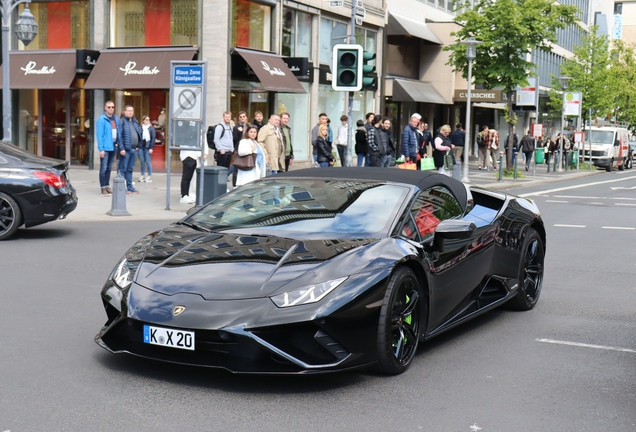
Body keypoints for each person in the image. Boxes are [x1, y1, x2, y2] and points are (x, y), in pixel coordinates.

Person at [96, 100, 119, 196]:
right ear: (105, 108)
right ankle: (103, 187)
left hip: (113, 146)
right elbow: (99, 134)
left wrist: (117, 142)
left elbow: (118, 131)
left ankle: (106, 185)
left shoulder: (116, 118)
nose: (111, 109)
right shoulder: (102, 119)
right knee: (103, 168)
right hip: (105, 147)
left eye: (112, 107)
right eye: (109, 107)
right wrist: (101, 149)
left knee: (109, 168)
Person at [117, 105, 142, 194]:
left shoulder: (135, 122)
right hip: (126, 150)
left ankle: (130, 186)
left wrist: (138, 144)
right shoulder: (122, 121)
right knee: (123, 169)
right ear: (125, 112)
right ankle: (122, 187)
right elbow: (119, 136)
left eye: (132, 110)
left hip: (134, 149)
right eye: (128, 110)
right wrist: (121, 148)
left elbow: (139, 133)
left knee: (130, 169)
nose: (130, 112)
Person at [179, 139, 208, 204]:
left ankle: (186, 194)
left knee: (189, 178)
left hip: (193, 155)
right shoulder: (186, 133)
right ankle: (184, 195)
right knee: (186, 177)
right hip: (188, 156)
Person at [231, 111, 250, 187]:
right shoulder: (236, 127)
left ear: (246, 117)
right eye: (240, 117)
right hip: (238, 149)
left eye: (243, 116)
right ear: (238, 118)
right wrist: (239, 132)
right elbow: (234, 139)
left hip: (247, 149)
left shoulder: (248, 126)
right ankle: (234, 185)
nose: (242, 118)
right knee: (236, 167)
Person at [138, 116, 156, 183]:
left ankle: (149, 175)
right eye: (146, 120)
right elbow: (138, 137)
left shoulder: (151, 129)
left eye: (148, 119)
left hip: (147, 147)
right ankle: (142, 175)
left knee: (148, 161)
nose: (148, 121)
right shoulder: (140, 128)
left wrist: (151, 147)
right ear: (143, 121)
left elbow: (153, 138)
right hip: (141, 147)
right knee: (142, 162)